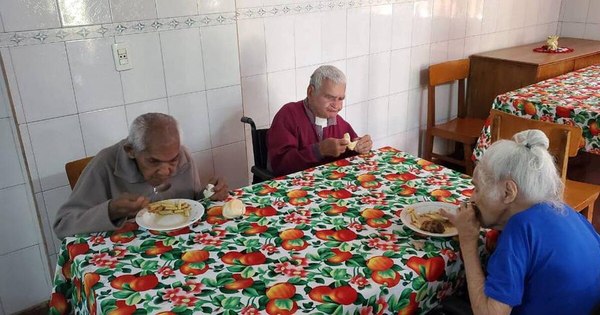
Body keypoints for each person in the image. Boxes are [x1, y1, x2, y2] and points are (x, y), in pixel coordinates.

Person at [442, 129, 600, 315]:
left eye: (477, 188)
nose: (472, 197)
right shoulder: (565, 211)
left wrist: (468, 241)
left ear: (508, 192)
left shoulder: (520, 229)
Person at [54, 113, 228, 238]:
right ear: (131, 151)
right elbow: (63, 225)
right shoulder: (105, 164)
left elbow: (192, 203)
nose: (166, 171)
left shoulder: (183, 156)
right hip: (124, 259)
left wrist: (209, 194)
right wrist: (111, 211)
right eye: (153, 162)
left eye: (172, 160)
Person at [267, 65, 373, 177]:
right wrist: (319, 150)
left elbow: (352, 157)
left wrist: (359, 148)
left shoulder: (340, 123)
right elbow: (280, 167)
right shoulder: (288, 115)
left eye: (340, 99)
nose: (336, 105)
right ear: (310, 92)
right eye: (330, 97)